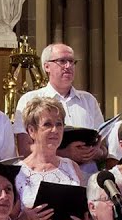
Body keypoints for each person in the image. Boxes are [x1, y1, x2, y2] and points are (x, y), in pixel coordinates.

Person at [14, 96, 94, 220]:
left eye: (59, 124)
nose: (55, 130)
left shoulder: (72, 167)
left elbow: (86, 210)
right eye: (47, 124)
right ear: (31, 130)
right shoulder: (18, 172)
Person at [13, 43, 106, 171]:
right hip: (47, 175)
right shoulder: (30, 100)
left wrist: (94, 152)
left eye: (71, 61)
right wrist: (66, 154)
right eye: (62, 61)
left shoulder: (89, 100)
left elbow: (104, 149)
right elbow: (25, 150)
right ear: (47, 66)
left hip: (88, 177)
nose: (68, 66)